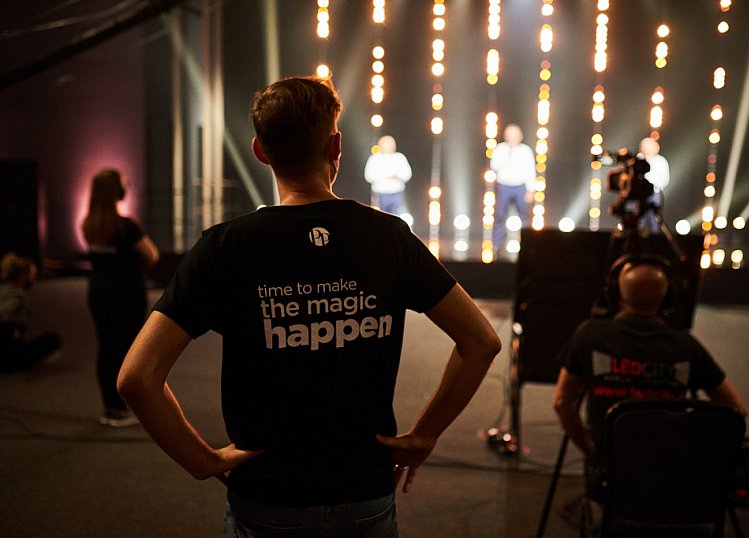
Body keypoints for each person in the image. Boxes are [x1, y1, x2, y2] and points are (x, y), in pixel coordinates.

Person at [117, 76, 501, 537]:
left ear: (260, 151)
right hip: (364, 491)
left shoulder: (225, 248)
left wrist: (202, 461)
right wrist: (424, 435)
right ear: (335, 146)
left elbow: (137, 378)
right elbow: (482, 342)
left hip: (267, 497)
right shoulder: (389, 238)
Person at [553, 256, 747, 498]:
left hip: (609, 478)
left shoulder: (588, 336)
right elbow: (736, 410)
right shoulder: (686, 346)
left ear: (615, 293)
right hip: (672, 480)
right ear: (667, 297)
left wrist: (590, 449)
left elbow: (561, 402)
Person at [82, 169, 159, 427]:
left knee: (106, 348)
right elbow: (151, 255)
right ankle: (123, 406)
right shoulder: (126, 226)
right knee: (127, 350)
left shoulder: (89, 225)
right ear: (117, 192)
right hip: (126, 295)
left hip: (98, 293)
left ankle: (111, 407)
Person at [0, 253, 61, 372]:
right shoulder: (17, 296)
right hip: (6, 351)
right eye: (32, 275)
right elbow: (2, 313)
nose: (34, 280)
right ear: (22, 276)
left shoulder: (3, 289)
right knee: (52, 339)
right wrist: (9, 330)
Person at [489, 124, 536, 252]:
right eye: (510, 135)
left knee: (524, 216)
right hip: (504, 186)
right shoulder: (500, 149)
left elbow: (531, 170)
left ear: (520, 136)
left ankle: (525, 244)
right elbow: (494, 166)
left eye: (515, 135)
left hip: (520, 186)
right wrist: (507, 154)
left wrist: (530, 190)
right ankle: (496, 244)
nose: (513, 138)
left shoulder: (526, 151)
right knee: (499, 215)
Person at [364, 135, 412, 215]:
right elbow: (368, 176)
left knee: (395, 217)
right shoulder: (375, 159)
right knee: (380, 216)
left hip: (397, 194)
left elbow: (407, 174)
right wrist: (384, 175)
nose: (388, 147)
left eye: (390, 145)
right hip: (380, 194)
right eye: (385, 145)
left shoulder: (400, 158)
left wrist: (396, 176)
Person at [638, 137, 669, 233]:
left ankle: (654, 238)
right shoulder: (638, 159)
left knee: (654, 220)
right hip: (639, 193)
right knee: (638, 220)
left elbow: (665, 179)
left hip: (654, 193)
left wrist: (653, 185)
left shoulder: (661, 161)